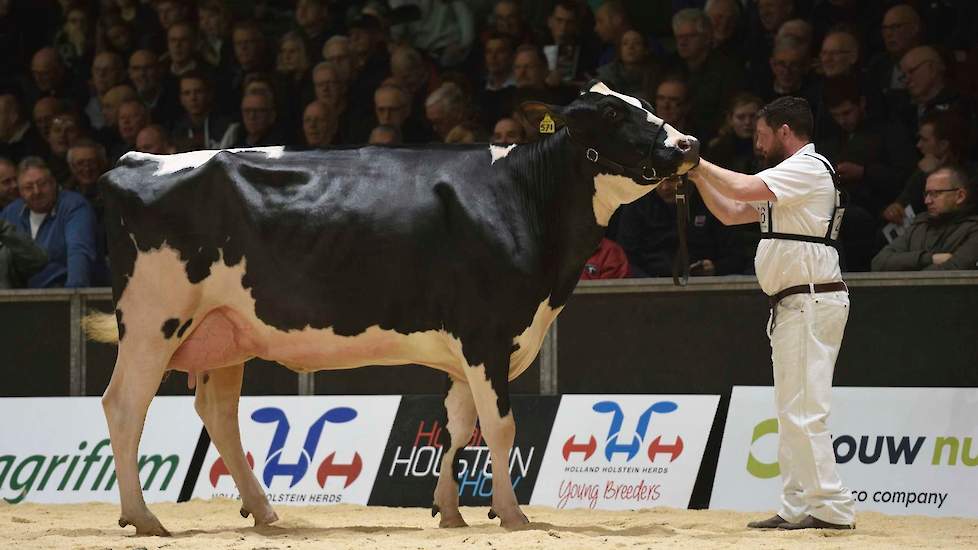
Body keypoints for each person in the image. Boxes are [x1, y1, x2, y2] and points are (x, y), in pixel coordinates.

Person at [688, 96, 856, 530]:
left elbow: (742, 188)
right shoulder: (788, 180)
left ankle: (831, 508)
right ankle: (798, 504)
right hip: (793, 303)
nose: (757, 144)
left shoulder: (808, 167)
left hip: (811, 298)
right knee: (790, 410)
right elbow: (728, 212)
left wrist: (698, 161)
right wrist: (694, 174)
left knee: (805, 410)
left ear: (785, 131)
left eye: (762, 135)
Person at [1, 156, 97, 288]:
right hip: (21, 301)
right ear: (20, 191)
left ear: (53, 182)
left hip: (62, 295)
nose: (36, 192)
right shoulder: (11, 212)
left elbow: (79, 253)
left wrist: (74, 301)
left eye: (42, 184)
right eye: (28, 187)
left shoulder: (74, 206)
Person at [872, 165, 978, 271]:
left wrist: (907, 267)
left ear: (960, 196)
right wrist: (930, 258)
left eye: (935, 194)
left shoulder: (973, 230)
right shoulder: (920, 226)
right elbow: (879, 263)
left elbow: (953, 271)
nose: (927, 201)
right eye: (926, 194)